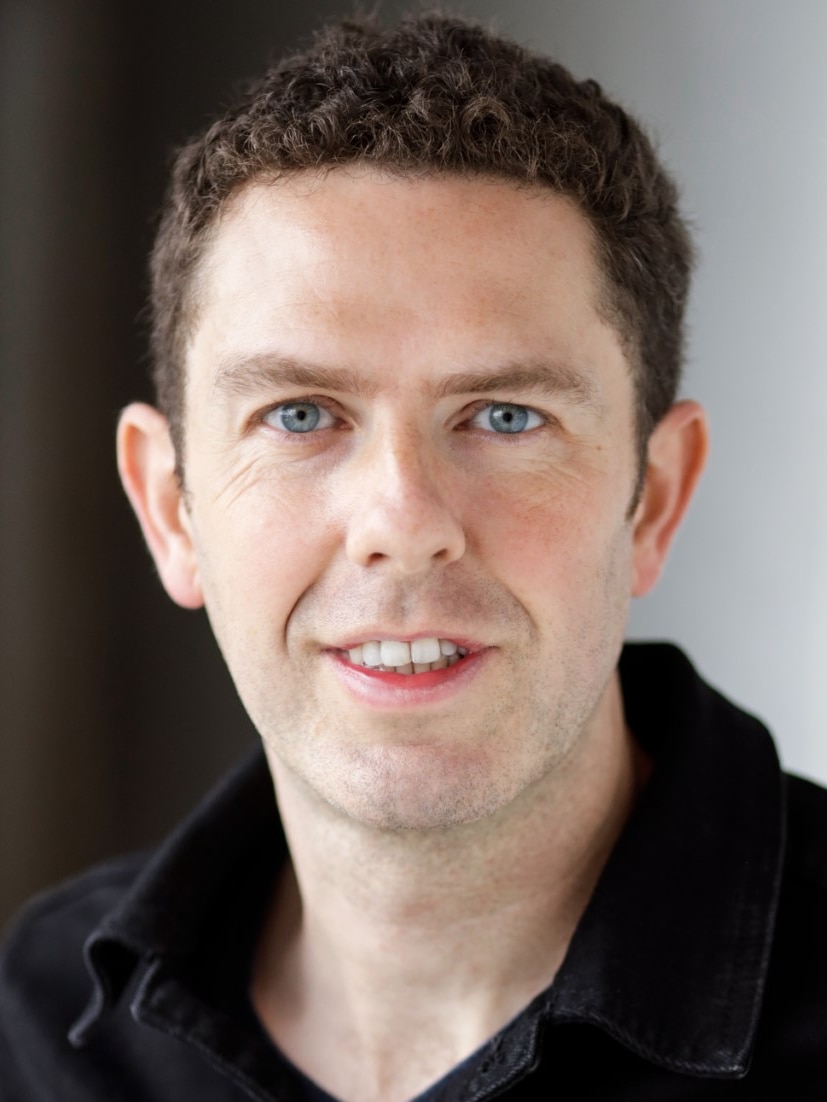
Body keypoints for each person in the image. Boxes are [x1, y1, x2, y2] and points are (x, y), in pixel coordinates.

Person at [1, 12, 826, 1101]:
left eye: (502, 415)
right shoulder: (40, 1021)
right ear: (170, 507)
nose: (402, 516)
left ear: (652, 498)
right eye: (299, 415)